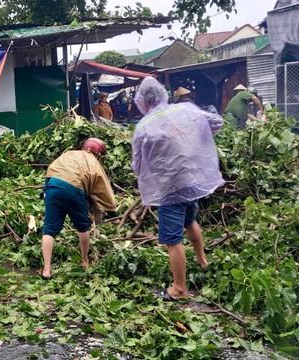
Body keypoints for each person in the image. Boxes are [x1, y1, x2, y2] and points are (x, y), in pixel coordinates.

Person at [131, 77, 224, 301]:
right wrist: (194, 137)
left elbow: (137, 165)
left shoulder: (144, 126)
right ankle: (202, 260)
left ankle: (179, 288)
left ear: (143, 101)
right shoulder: (186, 110)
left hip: (169, 187)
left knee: (172, 239)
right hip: (191, 180)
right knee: (190, 221)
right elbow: (217, 122)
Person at [40, 138, 116, 279]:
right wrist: (112, 213)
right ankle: (85, 261)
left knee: (49, 229)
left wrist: (46, 191)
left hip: (53, 187)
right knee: (83, 227)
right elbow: (104, 190)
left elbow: (51, 170)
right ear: (98, 153)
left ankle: (46, 270)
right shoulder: (94, 163)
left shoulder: (69, 154)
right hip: (73, 190)